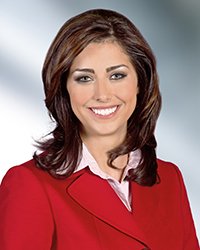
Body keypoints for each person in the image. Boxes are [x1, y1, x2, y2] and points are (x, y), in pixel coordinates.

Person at [0, 8, 199, 250]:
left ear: (140, 82)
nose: (102, 94)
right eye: (84, 78)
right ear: (64, 88)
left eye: (117, 75)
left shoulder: (168, 179)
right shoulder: (30, 185)